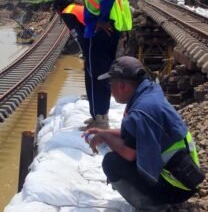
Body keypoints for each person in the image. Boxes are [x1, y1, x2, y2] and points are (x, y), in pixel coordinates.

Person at [84, 56, 201, 209]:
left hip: (176, 186)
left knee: (111, 162)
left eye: (110, 85)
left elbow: (129, 153)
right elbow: (136, 133)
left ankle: (152, 207)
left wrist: (104, 137)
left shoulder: (140, 112)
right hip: (187, 176)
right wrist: (105, 132)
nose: (110, 90)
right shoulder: (150, 93)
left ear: (122, 86)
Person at [76, 0, 133, 129]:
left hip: (100, 31)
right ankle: (101, 116)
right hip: (114, 29)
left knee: (95, 73)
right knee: (103, 73)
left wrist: (101, 20)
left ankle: (100, 120)